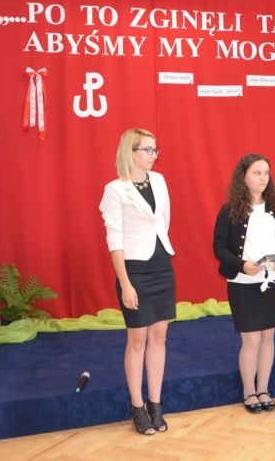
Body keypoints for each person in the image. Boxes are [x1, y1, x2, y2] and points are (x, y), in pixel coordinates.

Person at [99, 128, 175, 435]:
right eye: (148, 149)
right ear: (131, 153)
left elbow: (163, 221)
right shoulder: (115, 190)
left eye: (156, 149)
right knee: (137, 339)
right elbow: (114, 241)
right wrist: (126, 283)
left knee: (159, 337)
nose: (154, 155)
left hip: (162, 266)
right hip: (134, 271)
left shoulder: (159, 180)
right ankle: (137, 406)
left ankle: (155, 404)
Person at [213, 153, 275, 413]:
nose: (263, 178)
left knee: (268, 338)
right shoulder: (229, 211)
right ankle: (249, 391)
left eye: (266, 173)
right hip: (243, 283)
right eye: (257, 173)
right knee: (251, 340)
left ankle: (264, 389)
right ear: (243, 177)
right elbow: (219, 248)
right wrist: (242, 265)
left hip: (272, 281)